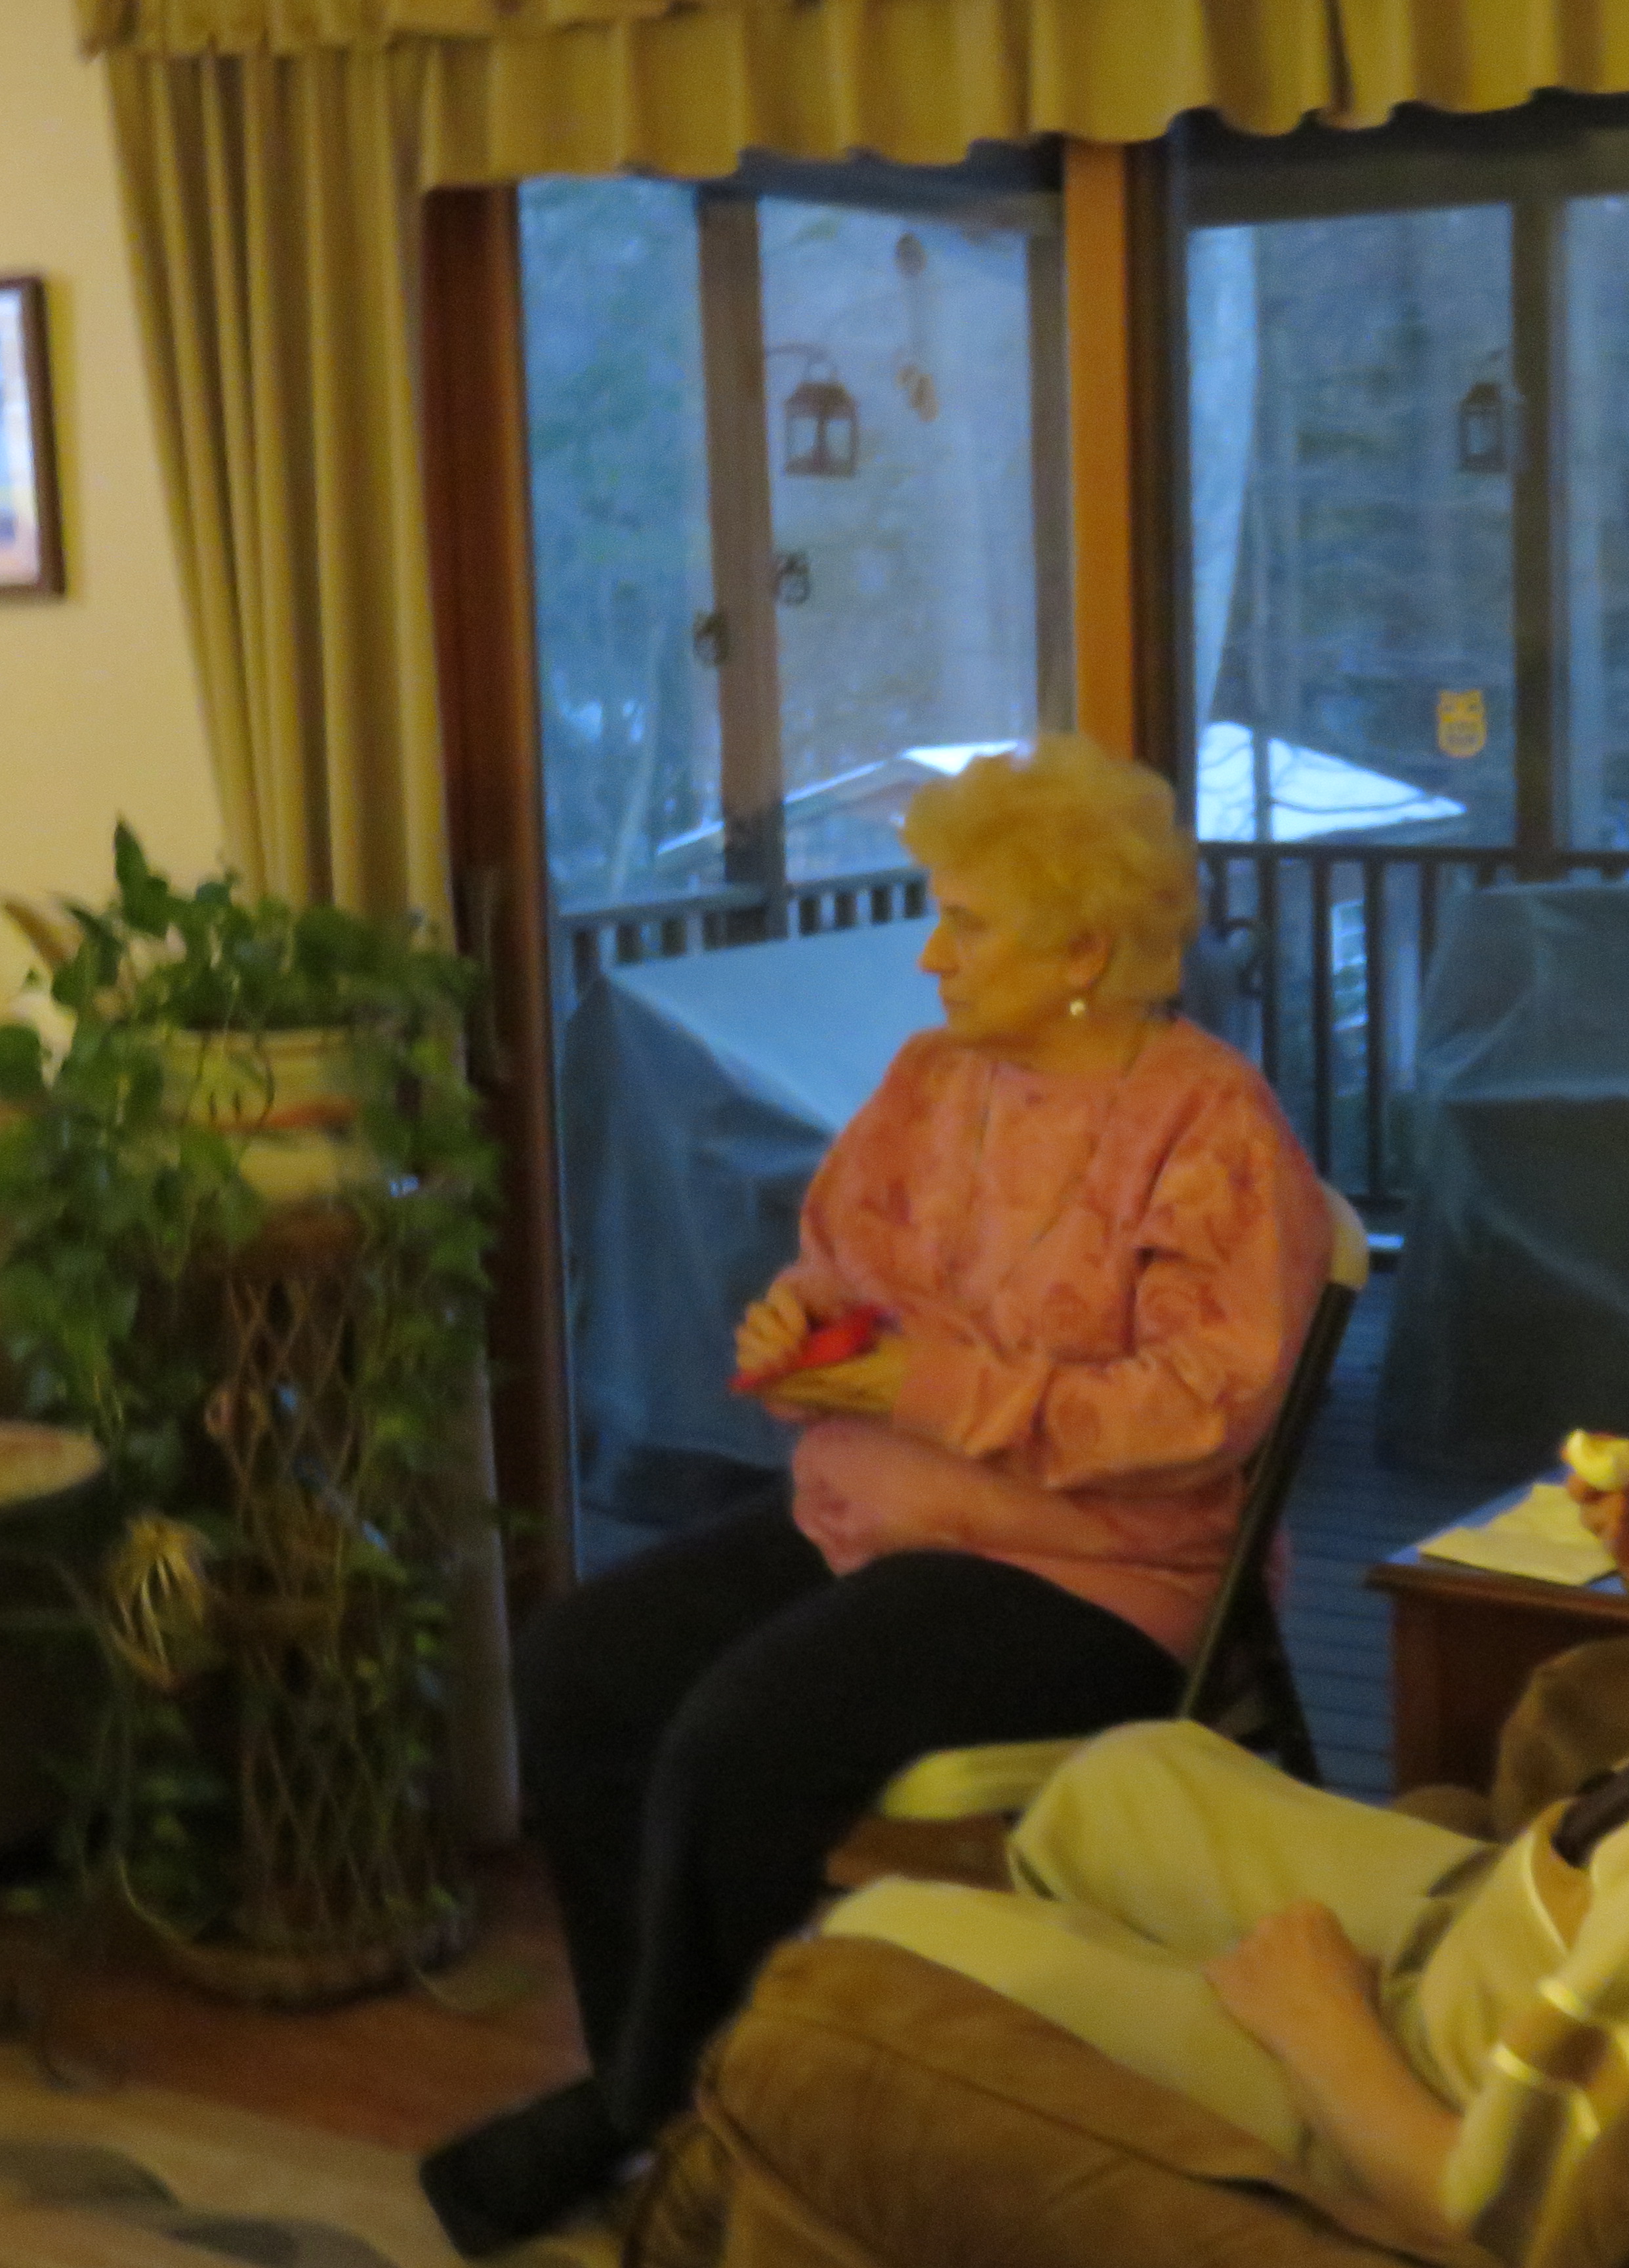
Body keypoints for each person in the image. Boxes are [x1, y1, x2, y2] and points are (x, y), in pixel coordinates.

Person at [821, 1179, 1629, 2260]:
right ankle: (1078, 2054)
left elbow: (1531, 2217)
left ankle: (1063, 2106)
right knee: (1133, 1776)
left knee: (881, 1947)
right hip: (1499, 1935)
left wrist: (1316, 2018)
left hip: (1410, 2090)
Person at [421, 738, 1332, 2256]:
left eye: (966, 923)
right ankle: (670, 2087)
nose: (930, 955)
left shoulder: (1213, 1131)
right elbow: (843, 1278)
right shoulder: (931, 1084)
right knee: (582, 1665)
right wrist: (806, 1334)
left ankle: (679, 2111)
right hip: (881, 1514)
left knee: (742, 1742)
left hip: (1092, 1567)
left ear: (1084, 952)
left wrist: (921, 1386)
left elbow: (1197, 1412)